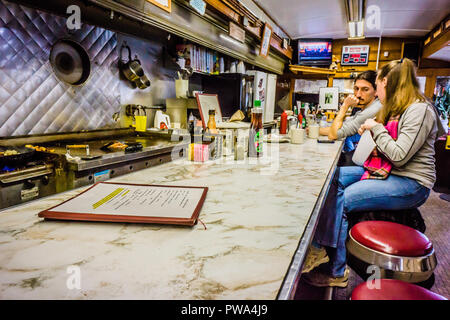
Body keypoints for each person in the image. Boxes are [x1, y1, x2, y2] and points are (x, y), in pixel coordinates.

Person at [302, 58, 446, 288]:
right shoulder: (399, 108)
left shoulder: (419, 110)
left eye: (377, 86)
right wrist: (374, 131)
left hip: (412, 183)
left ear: (387, 83)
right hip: (390, 172)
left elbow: (399, 155)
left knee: (344, 200)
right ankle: (319, 247)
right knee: (334, 178)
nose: (377, 94)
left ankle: (336, 271)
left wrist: (375, 128)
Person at [319, 71, 382, 153]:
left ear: (376, 91)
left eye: (365, 90)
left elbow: (333, 135)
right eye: (356, 89)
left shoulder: (373, 110)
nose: (358, 94)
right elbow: (343, 126)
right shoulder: (371, 106)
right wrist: (315, 130)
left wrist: (345, 105)